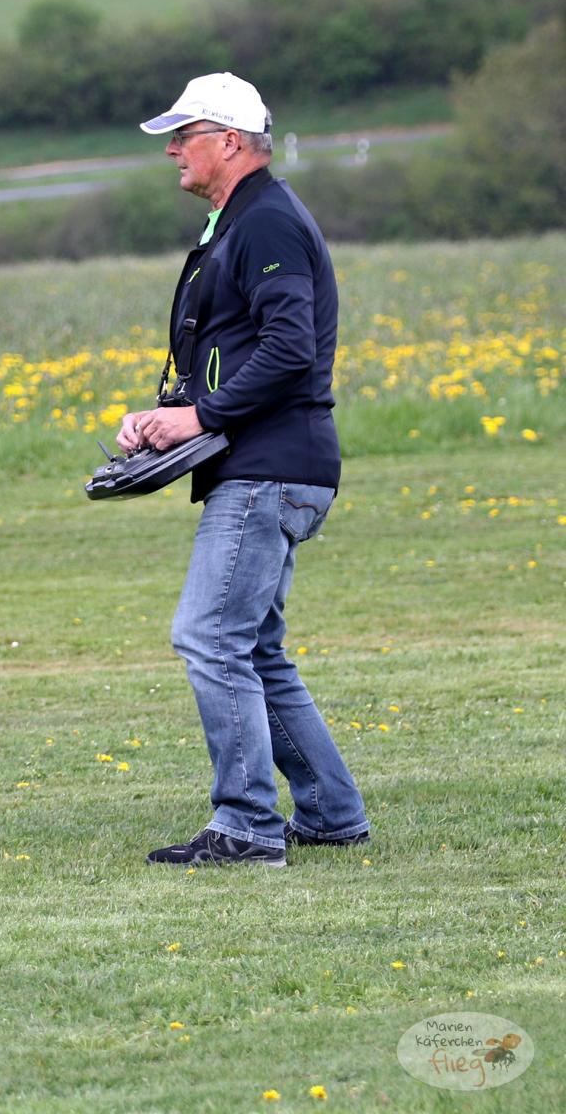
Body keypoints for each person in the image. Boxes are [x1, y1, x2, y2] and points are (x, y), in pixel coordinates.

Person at [120, 72, 370, 867]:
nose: (172, 150)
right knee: (253, 647)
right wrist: (167, 415)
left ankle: (247, 826)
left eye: (185, 134)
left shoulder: (265, 223)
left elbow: (291, 348)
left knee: (209, 636)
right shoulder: (243, 222)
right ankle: (330, 813)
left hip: (269, 468)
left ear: (229, 141)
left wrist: (201, 417)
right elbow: (240, 348)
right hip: (275, 462)